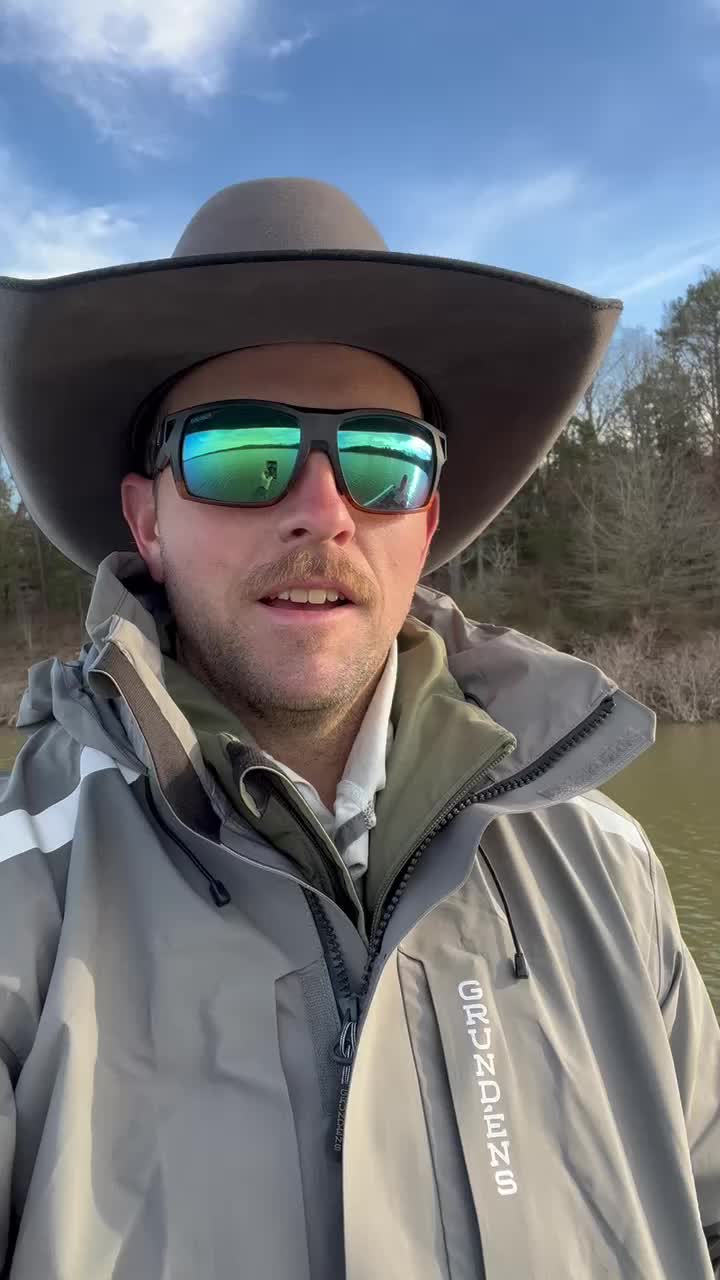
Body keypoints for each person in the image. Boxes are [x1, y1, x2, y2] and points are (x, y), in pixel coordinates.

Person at [0, 177, 717, 1280]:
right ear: (148, 520)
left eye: (384, 460)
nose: (324, 510)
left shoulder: (606, 863)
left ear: (424, 524)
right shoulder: (21, 901)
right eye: (243, 452)